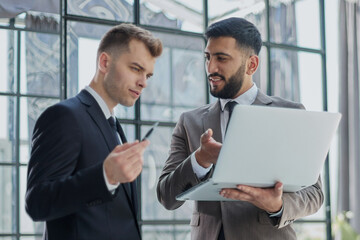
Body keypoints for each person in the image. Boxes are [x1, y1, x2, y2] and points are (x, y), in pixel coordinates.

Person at [156, 17, 323, 240]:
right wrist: (200, 159)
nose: (211, 68)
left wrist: (278, 204)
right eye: (208, 57)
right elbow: (166, 196)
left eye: (221, 58)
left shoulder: (290, 113)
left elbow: (314, 193)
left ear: (251, 65)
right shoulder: (189, 122)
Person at [26, 23, 162, 240]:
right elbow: (38, 202)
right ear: (105, 62)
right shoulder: (64, 116)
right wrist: (105, 176)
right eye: (136, 69)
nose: (143, 82)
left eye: (149, 75)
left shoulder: (113, 125)